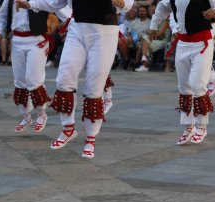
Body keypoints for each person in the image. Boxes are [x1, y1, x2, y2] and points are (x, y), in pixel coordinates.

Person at [15, 0, 134, 159]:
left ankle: (91, 138)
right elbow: (55, 2)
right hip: (77, 29)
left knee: (93, 87)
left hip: (104, 33)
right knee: (64, 79)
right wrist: (30, 4)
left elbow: (129, 2)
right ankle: (68, 128)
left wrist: (123, 2)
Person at [150, 0, 215, 145]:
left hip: (202, 43)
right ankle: (188, 127)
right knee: (184, 87)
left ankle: (202, 127)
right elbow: (162, 7)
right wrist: (154, 25)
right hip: (183, 44)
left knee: (197, 85)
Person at [0, 0, 68, 134]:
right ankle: (26, 117)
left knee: (34, 80)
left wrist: (76, 22)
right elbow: (2, 14)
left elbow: (59, 7)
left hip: (37, 40)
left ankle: (41, 114)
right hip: (16, 41)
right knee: (20, 81)